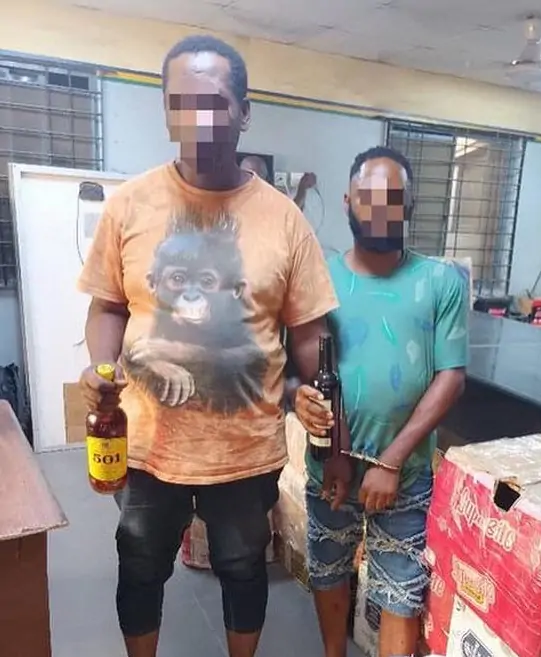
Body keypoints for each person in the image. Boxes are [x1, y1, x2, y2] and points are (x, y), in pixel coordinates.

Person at [77, 34, 350, 657]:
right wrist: (100, 366)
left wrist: (329, 430)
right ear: (167, 111)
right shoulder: (129, 205)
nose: (197, 117)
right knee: (139, 565)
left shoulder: (285, 220)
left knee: (244, 569)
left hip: (246, 450)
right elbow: (108, 306)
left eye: (213, 102)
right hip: (148, 446)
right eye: (181, 102)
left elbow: (312, 337)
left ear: (244, 112)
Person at [294, 146, 468, 657]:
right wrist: (327, 439)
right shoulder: (319, 277)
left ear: (409, 205)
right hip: (330, 467)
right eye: (368, 196)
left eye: (394, 198)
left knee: (402, 591)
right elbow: (304, 367)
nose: (380, 208)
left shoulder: (440, 281)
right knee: (328, 571)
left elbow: (451, 377)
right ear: (347, 201)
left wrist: (390, 461)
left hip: (405, 474)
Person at [239, 154, 317, 211]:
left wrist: (303, 187)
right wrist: (302, 187)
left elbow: (294, 214)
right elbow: (294, 214)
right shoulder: (236, 199)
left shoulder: (271, 200)